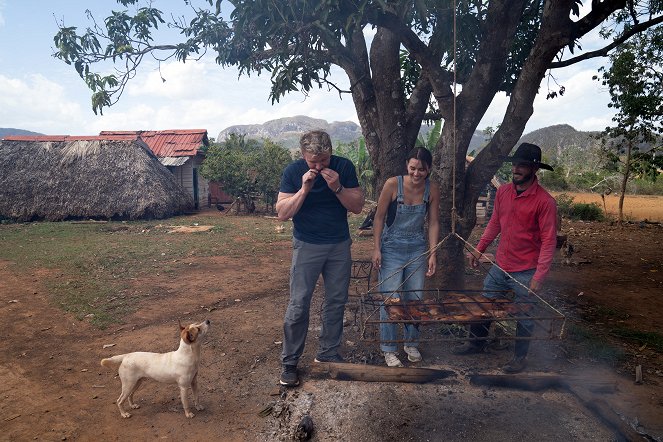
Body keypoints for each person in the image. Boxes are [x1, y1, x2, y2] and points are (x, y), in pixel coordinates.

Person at [453, 142, 557, 374]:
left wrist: (539, 276)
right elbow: (495, 224)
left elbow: (549, 241)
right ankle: (475, 344)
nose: (516, 169)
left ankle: (520, 358)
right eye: (515, 165)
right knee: (485, 303)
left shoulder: (545, 202)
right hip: (501, 264)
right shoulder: (503, 192)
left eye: (522, 166)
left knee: (525, 312)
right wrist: (479, 249)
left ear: (534, 169)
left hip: (527, 268)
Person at [276, 130, 365, 387]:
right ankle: (290, 361)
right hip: (306, 245)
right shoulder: (293, 172)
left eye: (324, 160)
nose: (319, 166)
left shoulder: (343, 167)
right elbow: (282, 213)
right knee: (299, 303)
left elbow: (357, 206)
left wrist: (337, 186)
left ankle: (328, 353)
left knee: (336, 301)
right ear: (303, 155)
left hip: (338, 244)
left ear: (331, 153)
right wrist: (304, 189)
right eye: (313, 161)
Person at [372, 147, 440, 367]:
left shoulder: (432, 189)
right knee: (390, 299)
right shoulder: (393, 184)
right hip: (391, 247)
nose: (416, 173)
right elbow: (379, 218)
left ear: (428, 169)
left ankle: (411, 343)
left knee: (415, 299)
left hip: (417, 248)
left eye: (421, 169)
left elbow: (434, 223)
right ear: (406, 166)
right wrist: (377, 248)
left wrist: (432, 252)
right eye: (412, 168)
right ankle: (389, 348)